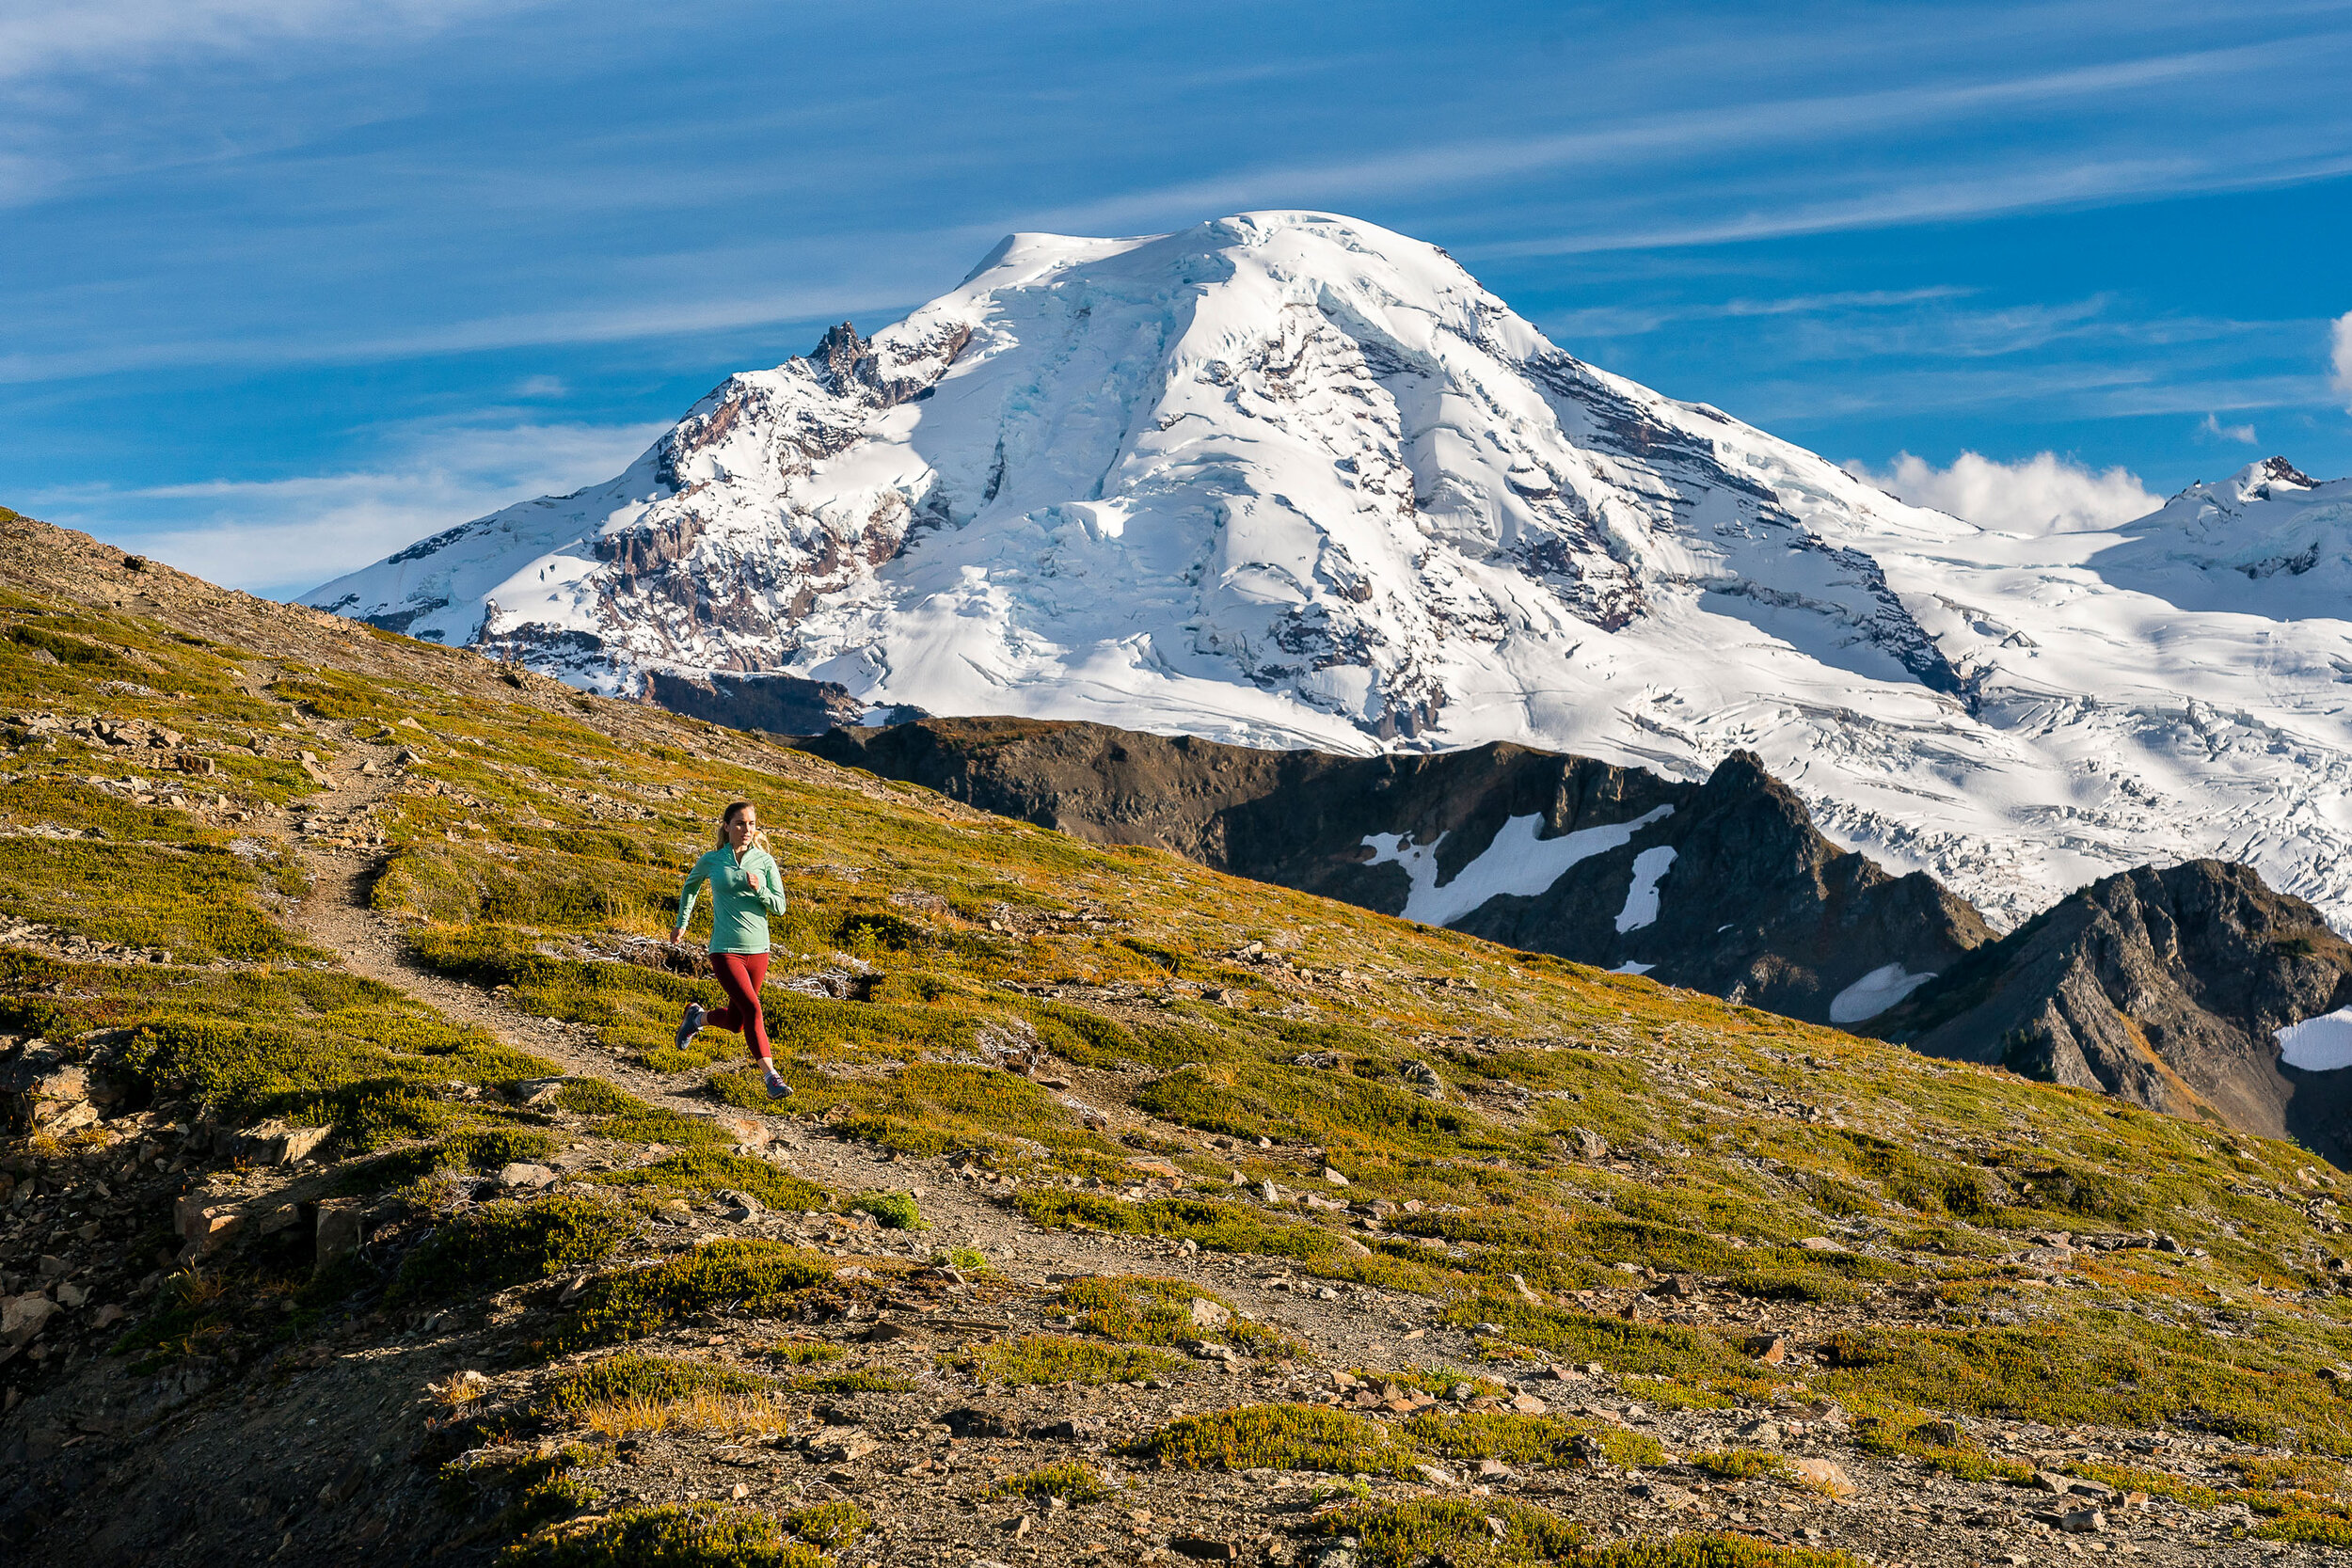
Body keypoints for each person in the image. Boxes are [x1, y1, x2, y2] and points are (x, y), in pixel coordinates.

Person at [671, 800, 790, 1100]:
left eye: (751, 823)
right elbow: (690, 888)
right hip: (725, 950)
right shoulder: (712, 860)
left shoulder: (765, 862)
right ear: (726, 826)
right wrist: (682, 922)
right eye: (739, 823)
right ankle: (771, 1077)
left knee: (738, 1022)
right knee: (753, 1009)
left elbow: (780, 908)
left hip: (759, 952)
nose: (746, 829)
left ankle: (696, 1018)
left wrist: (760, 889)